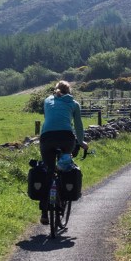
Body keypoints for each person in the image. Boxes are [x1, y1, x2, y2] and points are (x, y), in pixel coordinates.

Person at [39, 80, 87, 224]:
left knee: (48, 170)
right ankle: (64, 193)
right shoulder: (74, 104)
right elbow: (78, 126)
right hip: (66, 138)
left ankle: (44, 213)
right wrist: (81, 142)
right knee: (65, 167)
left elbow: (50, 119)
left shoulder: (47, 100)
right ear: (69, 91)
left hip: (47, 138)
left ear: (56, 90)